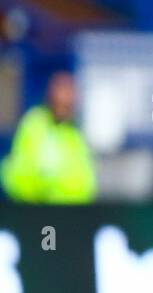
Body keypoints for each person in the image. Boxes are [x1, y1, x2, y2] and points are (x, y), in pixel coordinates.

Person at [0, 71, 95, 204]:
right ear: (51, 95)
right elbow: (18, 175)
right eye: (62, 91)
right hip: (29, 211)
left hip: (65, 214)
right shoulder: (34, 123)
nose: (68, 98)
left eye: (71, 93)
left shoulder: (74, 135)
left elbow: (85, 185)